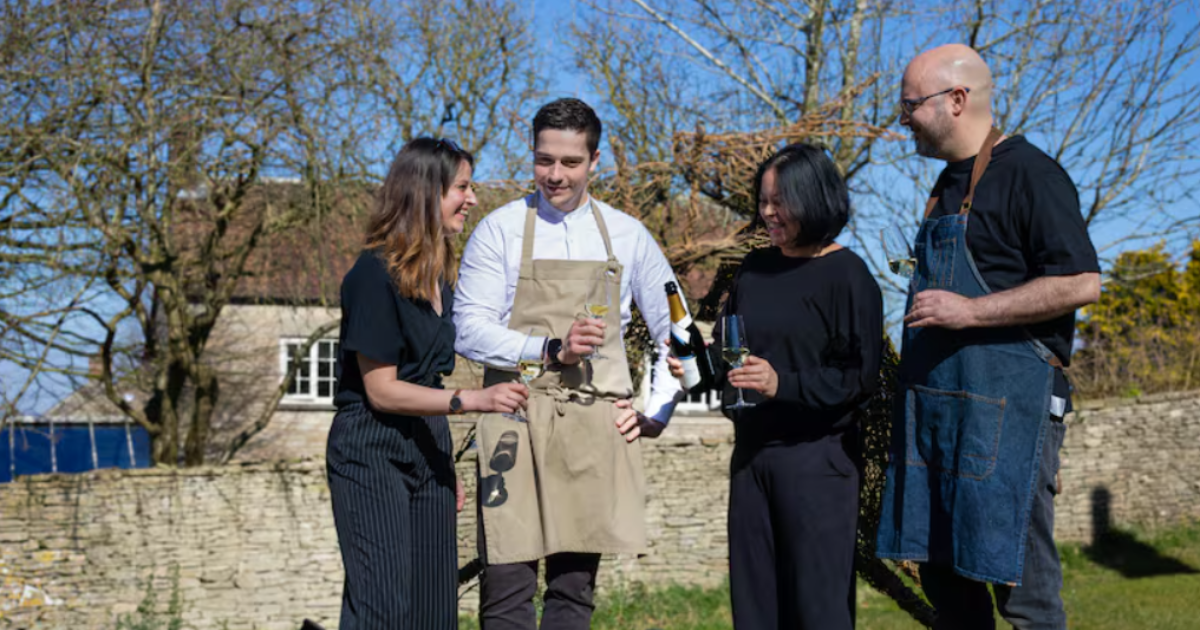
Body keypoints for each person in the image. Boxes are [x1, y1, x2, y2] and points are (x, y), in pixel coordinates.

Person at [875, 45, 1101, 630]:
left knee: (1024, 598)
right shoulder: (945, 186)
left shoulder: (1031, 173)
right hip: (937, 421)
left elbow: (1081, 283)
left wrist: (971, 311)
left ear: (957, 99)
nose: (903, 120)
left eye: (910, 105)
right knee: (949, 590)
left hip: (1007, 418)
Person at [454, 98, 683, 630]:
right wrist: (549, 349)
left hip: (591, 428)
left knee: (573, 593)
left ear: (595, 161)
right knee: (506, 589)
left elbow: (679, 331)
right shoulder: (499, 230)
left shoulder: (627, 235)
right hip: (512, 422)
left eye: (570, 162)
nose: (555, 175)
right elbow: (467, 328)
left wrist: (657, 411)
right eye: (544, 160)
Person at [668, 143, 883, 629]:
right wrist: (695, 365)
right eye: (763, 200)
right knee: (756, 612)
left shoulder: (847, 275)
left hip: (818, 462)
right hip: (752, 461)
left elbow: (858, 377)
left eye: (779, 201)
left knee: (817, 613)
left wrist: (781, 384)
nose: (767, 212)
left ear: (814, 198)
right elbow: (730, 358)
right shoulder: (754, 271)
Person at [326, 138, 530, 630]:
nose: (472, 198)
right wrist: (474, 400)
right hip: (371, 446)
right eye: (462, 187)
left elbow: (430, 378)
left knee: (435, 611)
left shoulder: (439, 277)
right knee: (384, 611)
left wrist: (439, 458)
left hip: (427, 442)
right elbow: (382, 391)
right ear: (425, 192)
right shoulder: (373, 275)